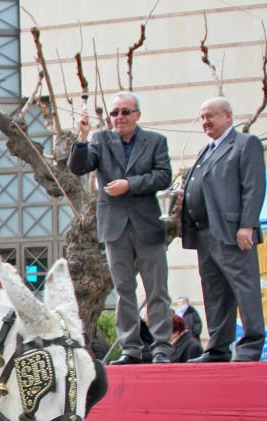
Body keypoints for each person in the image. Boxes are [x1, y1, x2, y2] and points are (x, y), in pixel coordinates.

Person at [68, 92, 174, 365]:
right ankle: (131, 348)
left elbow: (163, 176)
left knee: (156, 290)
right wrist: (81, 137)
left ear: (137, 114)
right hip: (114, 227)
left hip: (147, 226)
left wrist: (130, 184)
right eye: (114, 113)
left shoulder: (155, 142)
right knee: (124, 290)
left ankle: (162, 346)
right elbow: (78, 167)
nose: (119, 118)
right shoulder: (100, 140)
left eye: (125, 112)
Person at [180, 97, 266, 363]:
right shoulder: (206, 150)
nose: (206, 121)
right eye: (203, 117)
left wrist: (247, 226)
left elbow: (254, 187)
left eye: (211, 116)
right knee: (215, 294)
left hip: (232, 232)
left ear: (228, 117)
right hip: (204, 234)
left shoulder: (245, 144)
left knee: (244, 289)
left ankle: (250, 347)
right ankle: (217, 349)